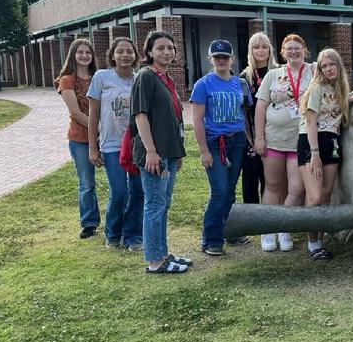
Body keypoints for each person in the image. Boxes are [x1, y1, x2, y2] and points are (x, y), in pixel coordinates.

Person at [297, 48, 353, 260]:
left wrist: (351, 98)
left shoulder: (340, 90)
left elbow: (339, 108)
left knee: (326, 193)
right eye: (324, 66)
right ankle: (312, 243)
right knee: (315, 196)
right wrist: (315, 153)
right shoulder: (316, 88)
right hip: (313, 142)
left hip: (333, 141)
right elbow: (310, 121)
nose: (328, 69)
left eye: (331, 64)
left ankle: (320, 239)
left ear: (338, 65)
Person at [130, 30, 189, 273]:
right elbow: (140, 115)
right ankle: (155, 261)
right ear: (149, 52)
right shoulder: (146, 76)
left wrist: (176, 153)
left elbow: (173, 118)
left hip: (169, 151)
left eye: (170, 48)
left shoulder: (167, 79)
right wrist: (151, 151)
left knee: (163, 203)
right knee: (154, 204)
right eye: (160, 48)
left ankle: (163, 254)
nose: (166, 52)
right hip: (154, 154)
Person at [191, 40, 251, 257]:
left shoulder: (240, 84)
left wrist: (250, 140)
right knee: (219, 191)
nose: (221, 61)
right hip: (216, 142)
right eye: (217, 57)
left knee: (230, 191)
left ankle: (230, 231)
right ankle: (211, 239)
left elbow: (244, 114)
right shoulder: (203, 84)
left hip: (237, 142)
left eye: (225, 57)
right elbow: (197, 120)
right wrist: (204, 150)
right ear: (211, 60)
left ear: (232, 59)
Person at [254, 34, 313, 253]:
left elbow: (332, 91)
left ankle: (283, 227)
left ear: (304, 50)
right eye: (288, 48)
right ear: (282, 52)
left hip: (301, 140)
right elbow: (260, 107)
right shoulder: (273, 74)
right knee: (273, 186)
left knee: (297, 189)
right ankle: (268, 229)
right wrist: (259, 137)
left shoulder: (313, 72)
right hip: (274, 139)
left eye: (297, 48)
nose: (293, 51)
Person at [87, 37, 144, 250]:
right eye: (120, 51)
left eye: (129, 51)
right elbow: (93, 115)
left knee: (138, 191)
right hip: (111, 145)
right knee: (120, 191)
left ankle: (133, 236)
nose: (125, 55)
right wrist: (93, 147)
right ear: (112, 55)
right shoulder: (102, 78)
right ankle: (113, 233)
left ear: (135, 56)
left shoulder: (139, 79)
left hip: (136, 145)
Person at [56, 38, 100, 239]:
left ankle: (122, 221)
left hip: (107, 137)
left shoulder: (99, 77)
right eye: (80, 52)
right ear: (73, 55)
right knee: (86, 182)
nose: (84, 56)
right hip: (80, 138)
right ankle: (89, 223)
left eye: (88, 52)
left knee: (120, 179)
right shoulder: (67, 80)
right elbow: (75, 112)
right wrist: (97, 128)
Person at [239, 31, 276, 208]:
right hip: (251, 135)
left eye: (264, 47)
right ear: (250, 51)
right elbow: (243, 112)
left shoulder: (279, 73)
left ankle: (273, 214)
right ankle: (252, 217)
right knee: (251, 176)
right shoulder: (244, 78)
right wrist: (252, 138)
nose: (260, 51)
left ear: (270, 50)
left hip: (276, 133)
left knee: (272, 178)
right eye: (256, 47)